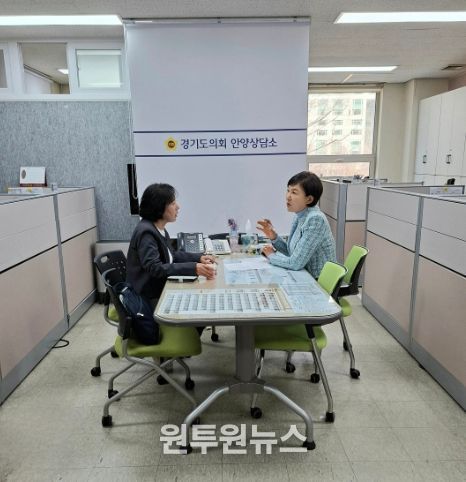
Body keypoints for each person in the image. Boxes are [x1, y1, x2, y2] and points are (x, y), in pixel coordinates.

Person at [126, 183, 216, 306]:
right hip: (147, 298)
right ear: (159, 207)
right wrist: (194, 268)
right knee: (199, 301)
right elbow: (155, 268)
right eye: (173, 203)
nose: (178, 207)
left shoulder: (158, 228)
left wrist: (199, 258)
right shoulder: (146, 233)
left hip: (159, 290)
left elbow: (172, 255)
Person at [257, 171, 336, 279]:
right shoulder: (300, 215)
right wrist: (273, 237)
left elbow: (295, 263)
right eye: (288, 190)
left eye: (294, 192)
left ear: (309, 199)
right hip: (306, 275)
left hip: (319, 281)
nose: (288, 196)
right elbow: (292, 253)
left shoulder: (316, 220)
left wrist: (271, 256)